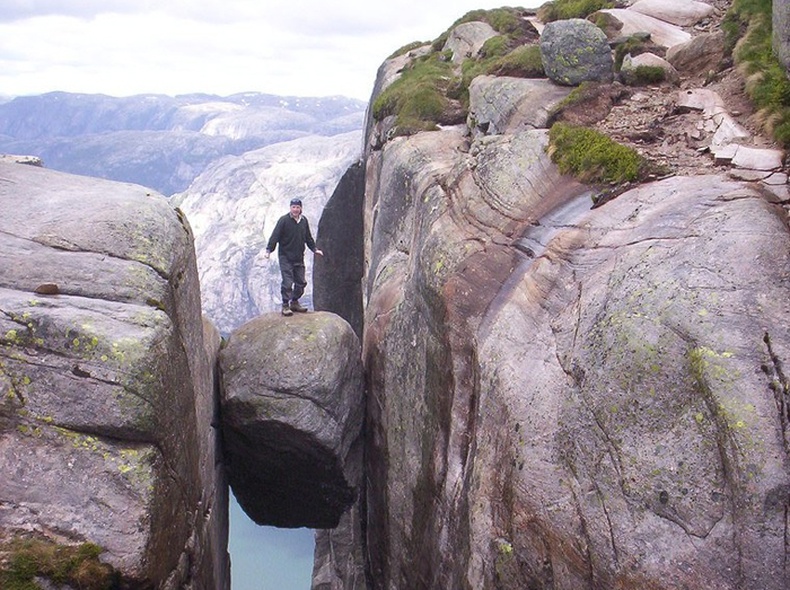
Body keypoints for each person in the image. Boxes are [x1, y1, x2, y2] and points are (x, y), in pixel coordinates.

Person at [265, 198, 323, 316]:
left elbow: (308, 237)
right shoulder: (284, 221)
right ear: (290, 208)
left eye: (297, 207)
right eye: (293, 207)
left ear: (301, 208)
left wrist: (315, 249)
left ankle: (295, 302)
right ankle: (285, 305)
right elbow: (275, 236)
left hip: (298, 257)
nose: (295, 209)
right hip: (285, 257)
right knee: (287, 282)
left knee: (301, 282)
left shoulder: (303, 221)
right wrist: (269, 250)